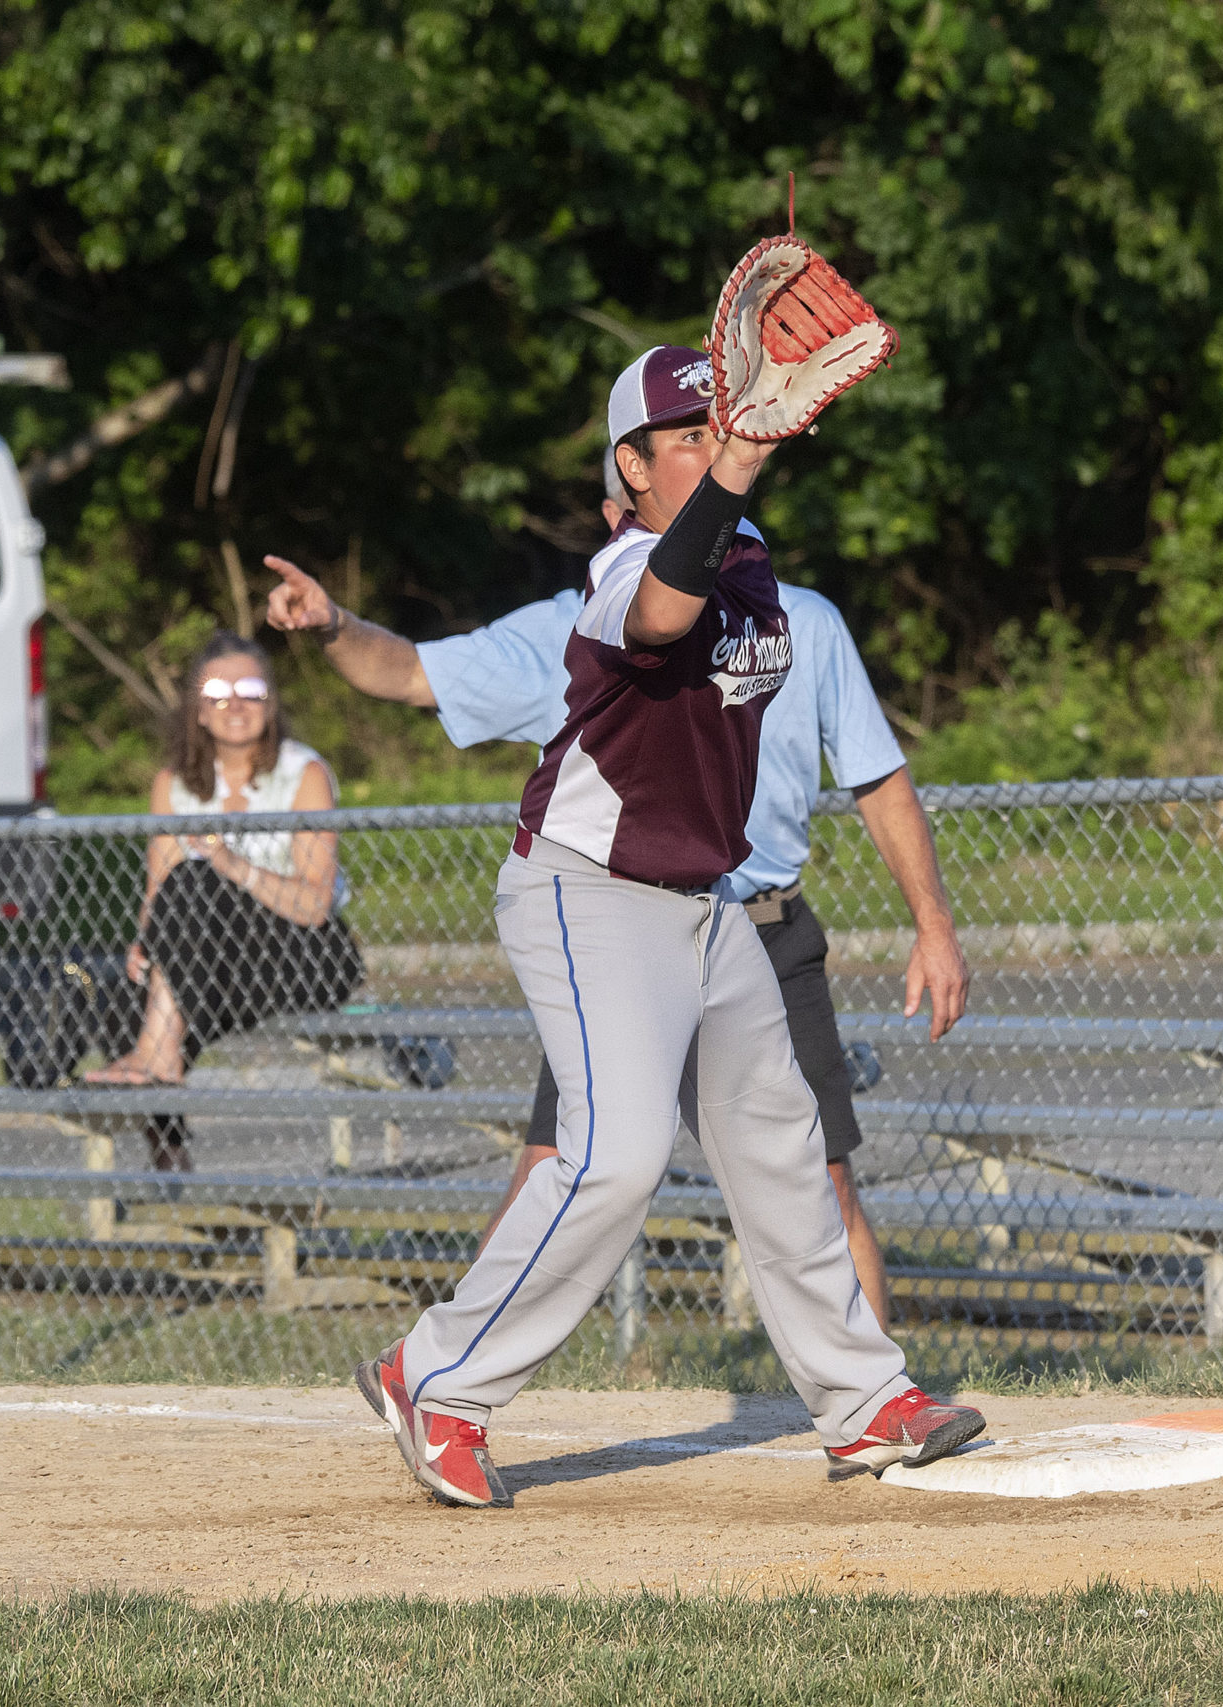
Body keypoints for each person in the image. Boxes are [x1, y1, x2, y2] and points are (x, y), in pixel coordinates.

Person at [354, 344, 981, 1506]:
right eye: (682, 435)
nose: (707, 445)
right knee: (615, 1154)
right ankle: (434, 1378)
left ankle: (861, 1403)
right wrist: (736, 463)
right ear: (628, 470)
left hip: (706, 903)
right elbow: (654, 619)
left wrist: (733, 479)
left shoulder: (750, 568)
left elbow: (729, 604)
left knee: (781, 1146)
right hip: (586, 891)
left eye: (717, 428)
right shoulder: (623, 568)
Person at [85, 633, 362, 1169]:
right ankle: (168, 1150)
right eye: (217, 691)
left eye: (251, 689)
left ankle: (158, 1058)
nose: (235, 703)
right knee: (129, 986)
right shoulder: (174, 784)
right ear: (198, 711)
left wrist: (234, 866)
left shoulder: (302, 775)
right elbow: (155, 894)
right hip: (213, 959)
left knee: (196, 878)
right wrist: (146, 943)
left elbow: (314, 906)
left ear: (272, 703)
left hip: (303, 953)